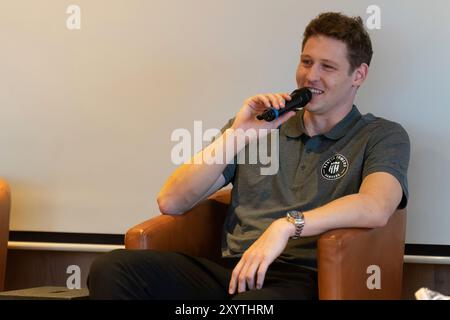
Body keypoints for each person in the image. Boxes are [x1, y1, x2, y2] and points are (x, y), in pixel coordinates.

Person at [88, 12, 410, 300]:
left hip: (304, 279)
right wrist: (238, 135)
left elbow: (376, 206)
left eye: (327, 67)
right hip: (231, 272)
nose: (311, 76)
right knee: (111, 269)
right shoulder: (260, 124)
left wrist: (286, 226)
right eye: (306, 61)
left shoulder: (381, 135)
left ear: (358, 75)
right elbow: (172, 201)